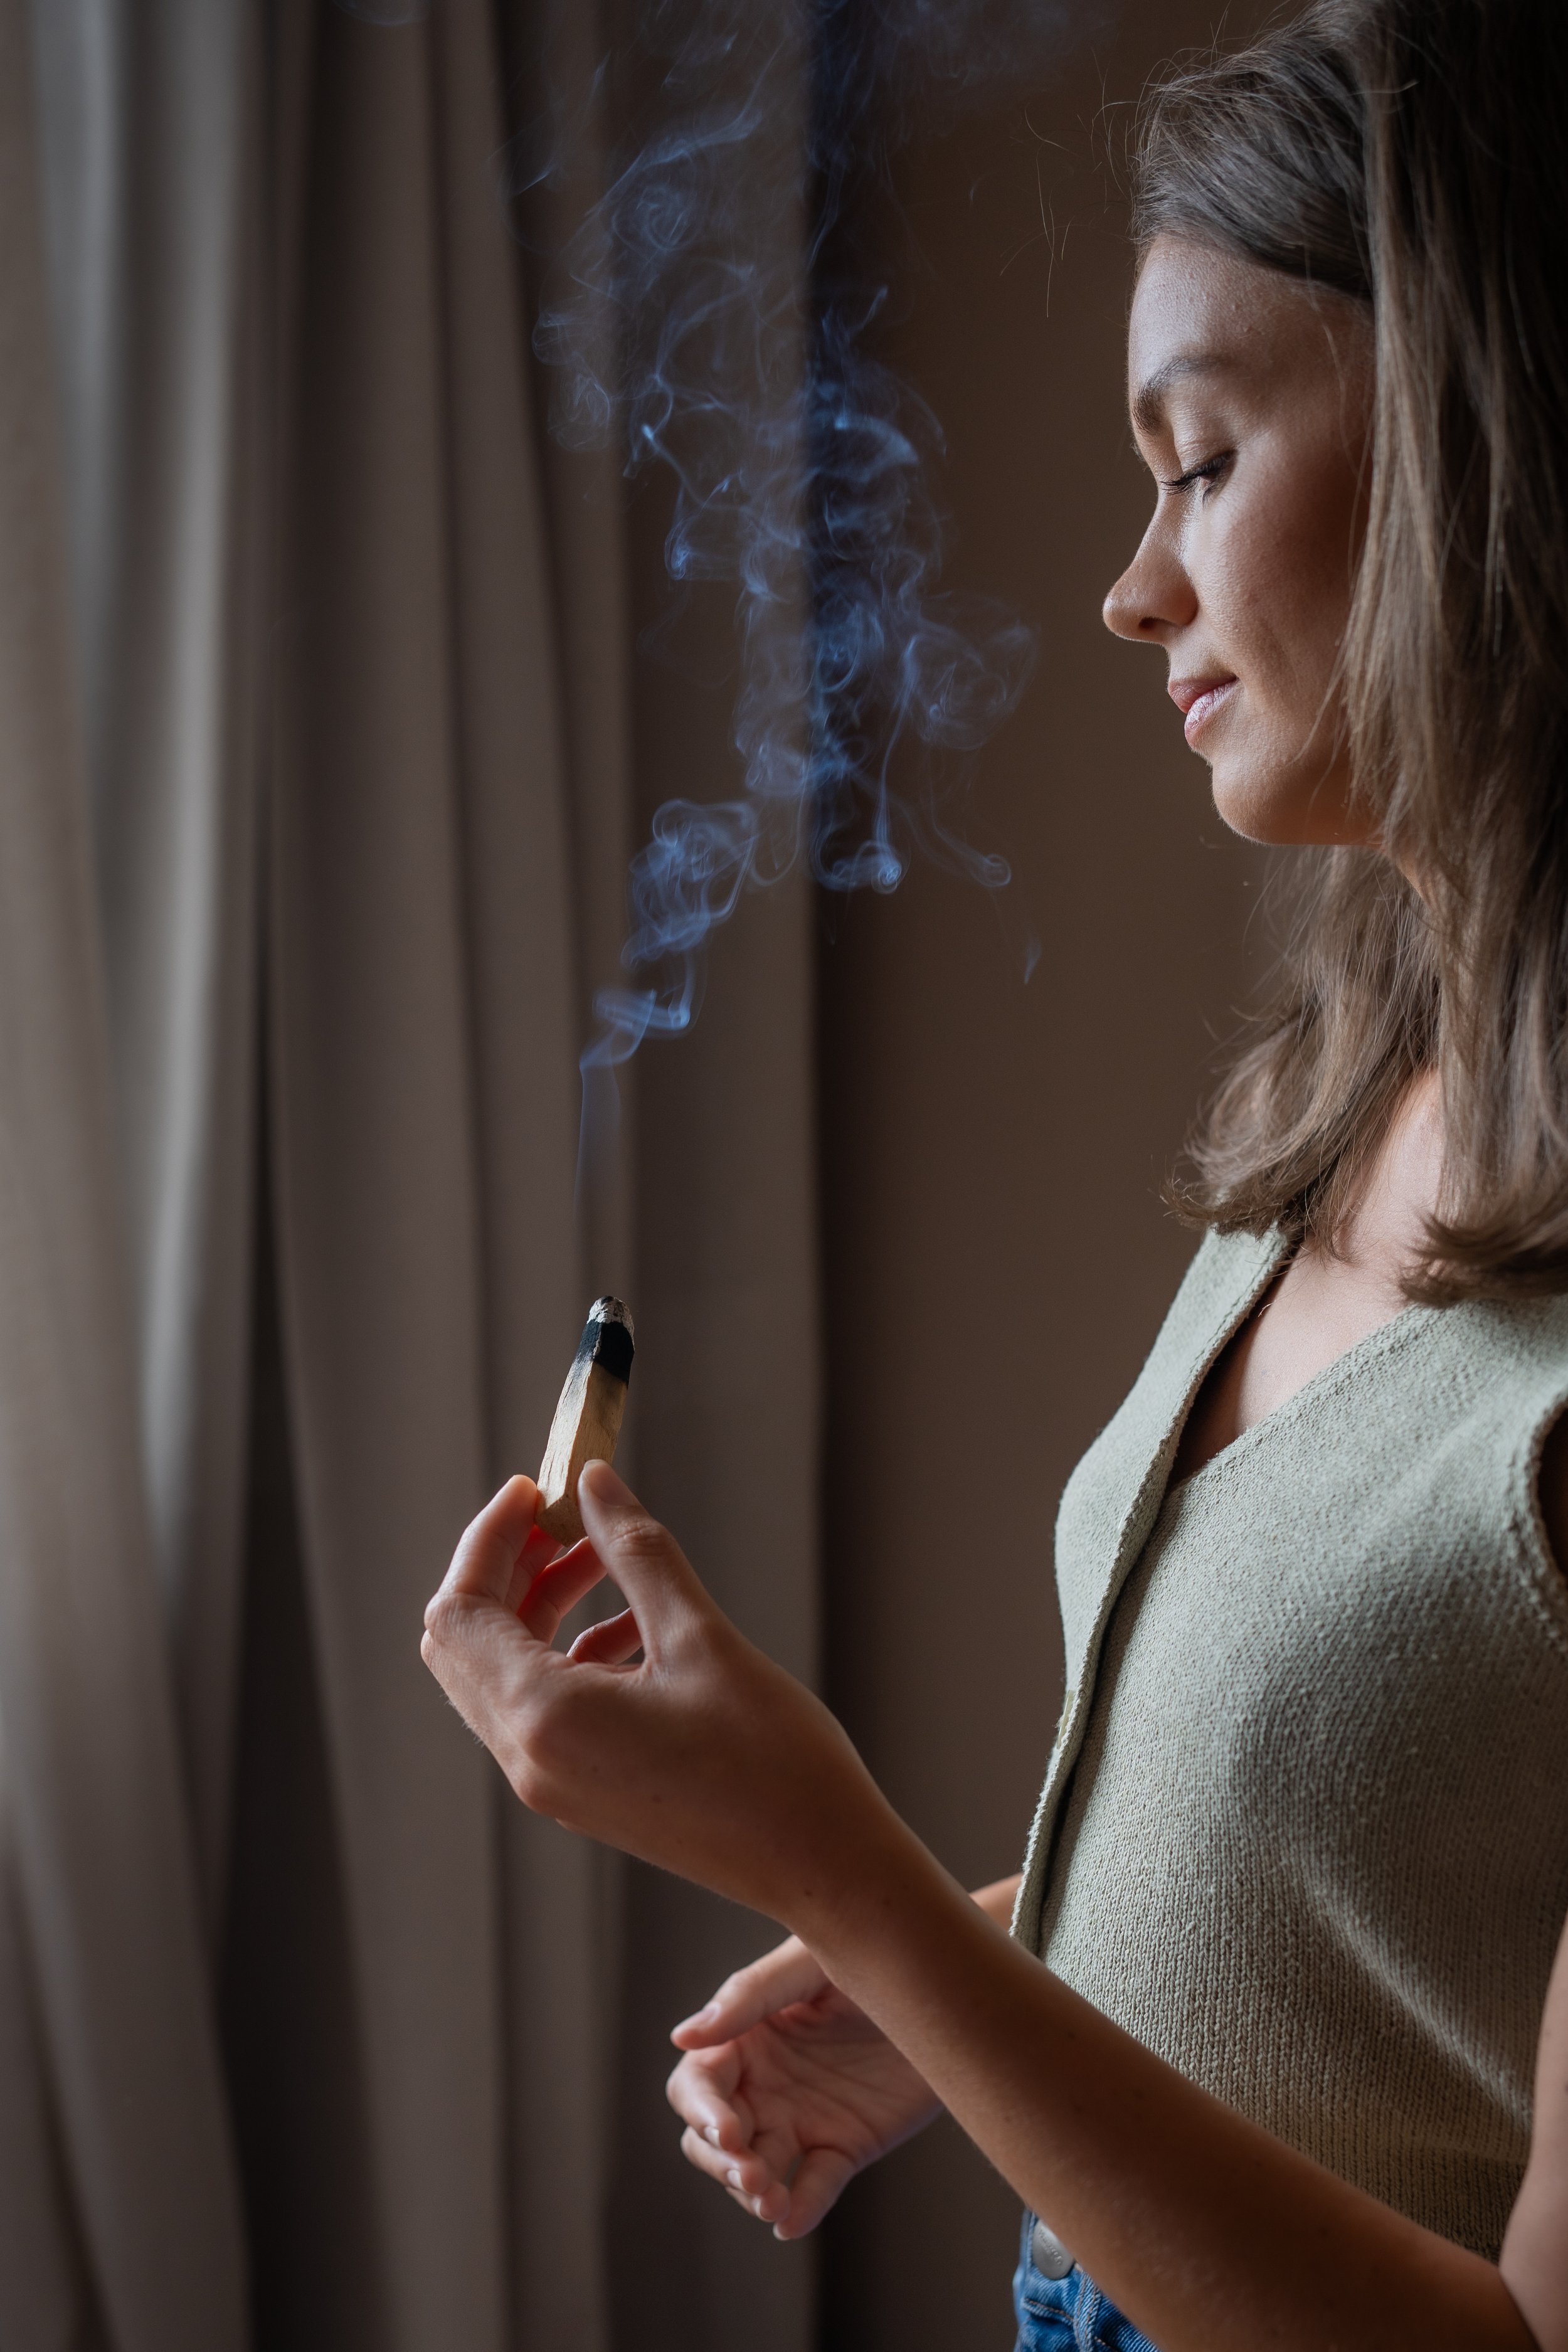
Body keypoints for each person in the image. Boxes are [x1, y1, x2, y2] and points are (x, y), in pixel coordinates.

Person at [421, 3, 1568, 2344]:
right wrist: (945, 1962)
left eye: (1201, 459)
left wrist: (834, 1866)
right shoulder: (1357, 1101)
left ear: (1476, 437)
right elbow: (1391, 1857)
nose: (1135, 591)